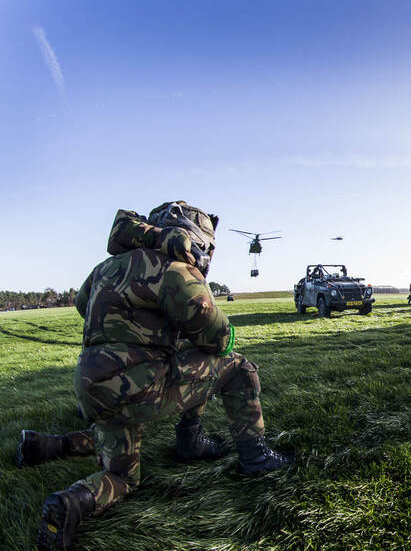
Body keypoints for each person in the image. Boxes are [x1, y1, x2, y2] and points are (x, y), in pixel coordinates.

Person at [32, 202, 292, 551]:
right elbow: (216, 337)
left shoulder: (104, 268)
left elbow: (84, 305)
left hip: (94, 389)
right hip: (141, 389)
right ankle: (253, 456)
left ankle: (69, 499)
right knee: (236, 367)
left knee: (123, 476)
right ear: (194, 239)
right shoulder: (174, 269)